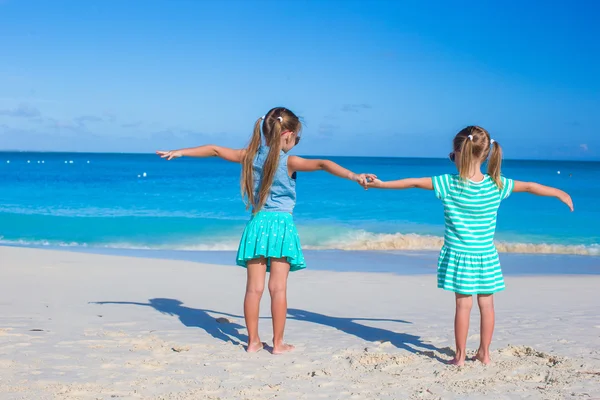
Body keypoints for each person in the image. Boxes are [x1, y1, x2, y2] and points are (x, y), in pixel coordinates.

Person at [157, 107, 374, 354]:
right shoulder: (290, 161)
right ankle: (278, 344)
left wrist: (180, 152)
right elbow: (323, 164)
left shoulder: (249, 156)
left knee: (253, 289)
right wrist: (354, 176)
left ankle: (252, 342)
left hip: (257, 225)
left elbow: (215, 150)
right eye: (297, 138)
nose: (296, 143)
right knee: (278, 289)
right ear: (287, 134)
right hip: (281, 227)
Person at [366, 125, 573, 366]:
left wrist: (380, 184)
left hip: (459, 257)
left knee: (463, 306)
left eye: (452, 155)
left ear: (458, 155)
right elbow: (529, 186)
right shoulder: (497, 185)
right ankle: (484, 354)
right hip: (486, 256)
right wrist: (559, 192)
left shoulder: (447, 183)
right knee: (487, 305)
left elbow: (412, 183)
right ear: (486, 155)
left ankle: (460, 356)